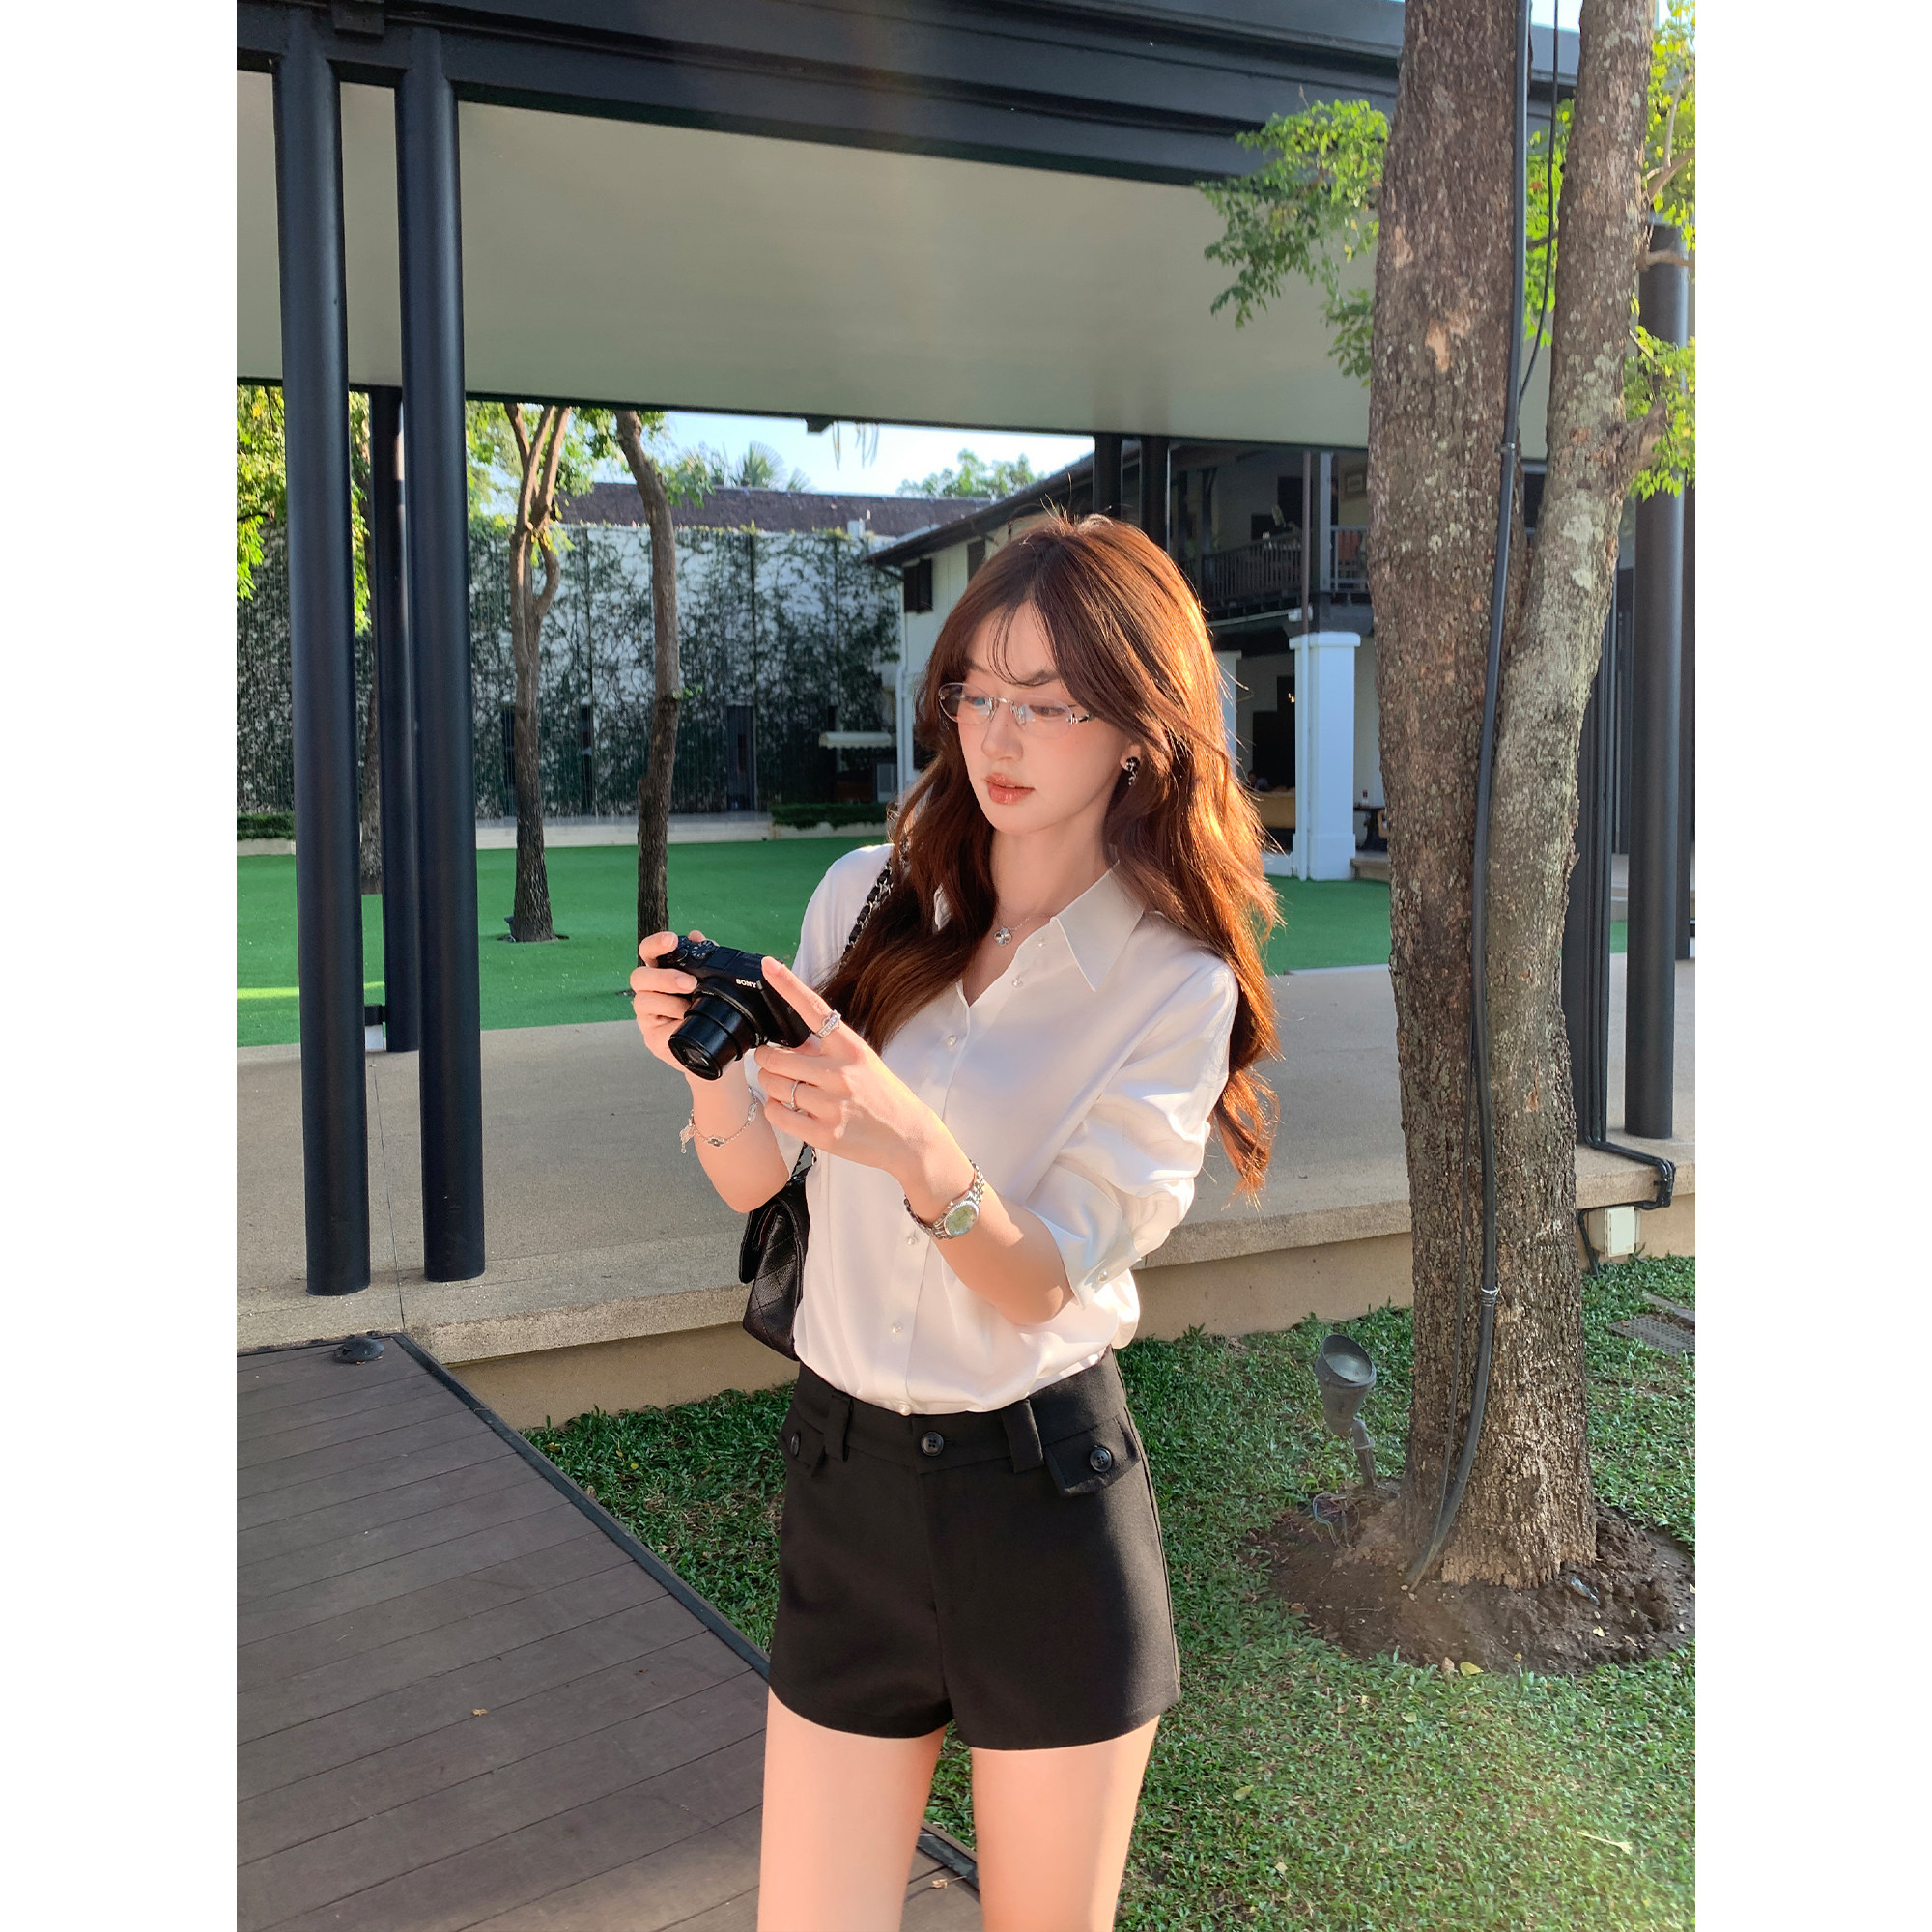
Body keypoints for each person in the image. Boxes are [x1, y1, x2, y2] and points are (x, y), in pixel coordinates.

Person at [630, 515, 1279, 1932]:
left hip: (1040, 1504)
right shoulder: (868, 898)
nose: (998, 734)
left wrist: (916, 1146)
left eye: (1047, 702)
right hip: (845, 1483)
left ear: (1142, 730)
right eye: (977, 692)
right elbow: (759, 1190)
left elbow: (1046, 1282)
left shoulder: (1173, 985)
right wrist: (708, 1068)